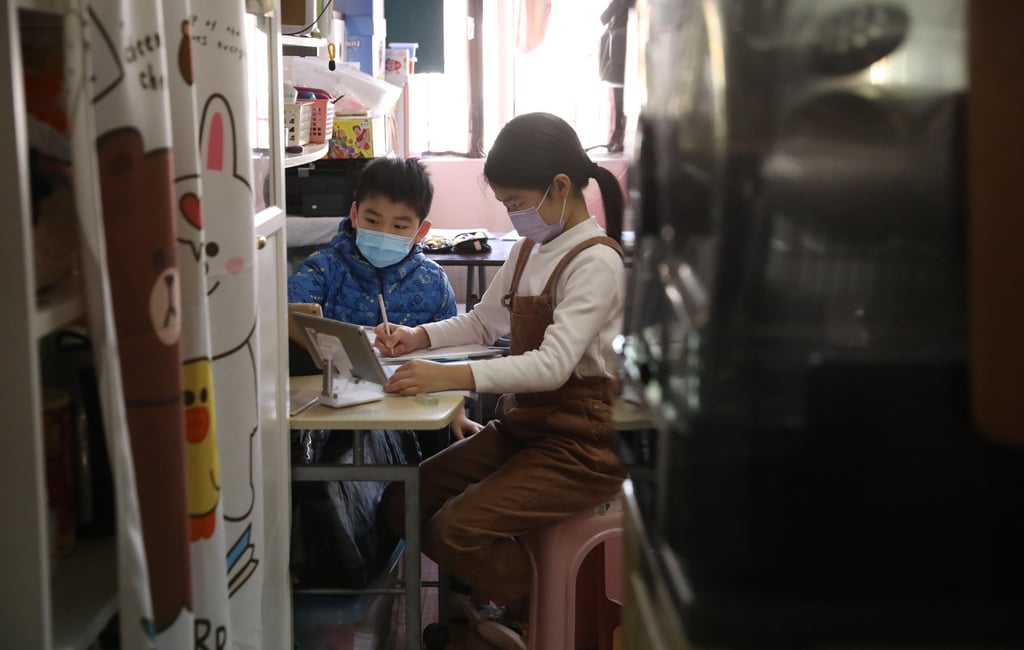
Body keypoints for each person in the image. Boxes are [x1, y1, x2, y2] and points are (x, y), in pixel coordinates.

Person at [374, 112, 627, 650]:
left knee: (454, 529)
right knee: (405, 504)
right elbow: (481, 321)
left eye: (516, 202)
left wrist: (447, 376)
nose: (513, 217)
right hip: (528, 427)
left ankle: (535, 611)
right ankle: (492, 601)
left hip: (582, 444)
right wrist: (416, 338)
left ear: (560, 187)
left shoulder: (596, 262)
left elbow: (552, 366)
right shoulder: (529, 249)